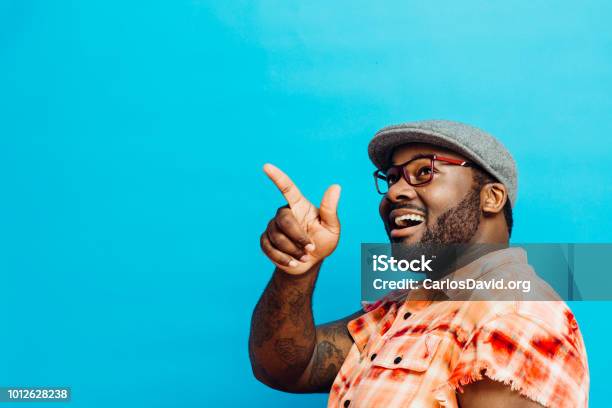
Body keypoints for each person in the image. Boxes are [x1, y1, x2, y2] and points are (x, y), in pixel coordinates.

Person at [249, 120, 589, 407]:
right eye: (392, 177)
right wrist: (298, 268)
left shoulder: (514, 316)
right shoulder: (409, 305)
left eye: (424, 171)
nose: (395, 192)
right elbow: (290, 367)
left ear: (492, 198)